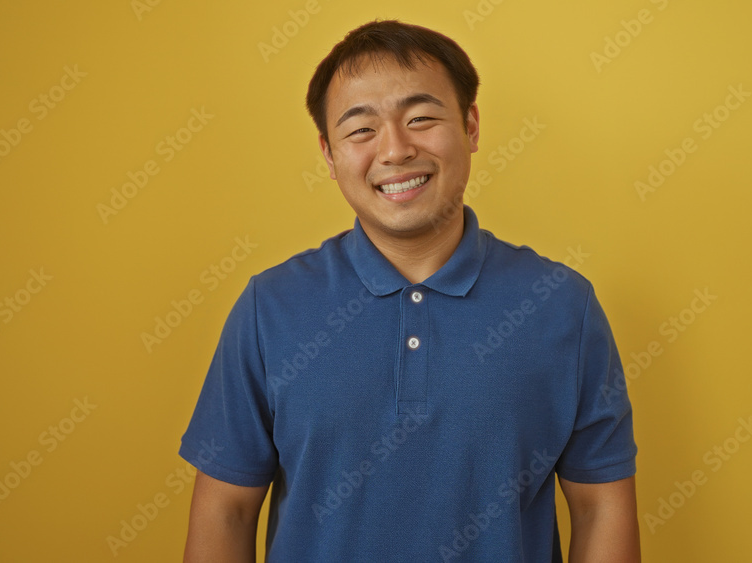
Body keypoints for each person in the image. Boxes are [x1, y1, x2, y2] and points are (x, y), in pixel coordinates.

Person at [179, 19, 640, 562]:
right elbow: (225, 511)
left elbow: (600, 507)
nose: (395, 150)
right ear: (329, 155)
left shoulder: (563, 305)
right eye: (360, 130)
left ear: (470, 126)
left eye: (420, 118)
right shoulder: (269, 307)